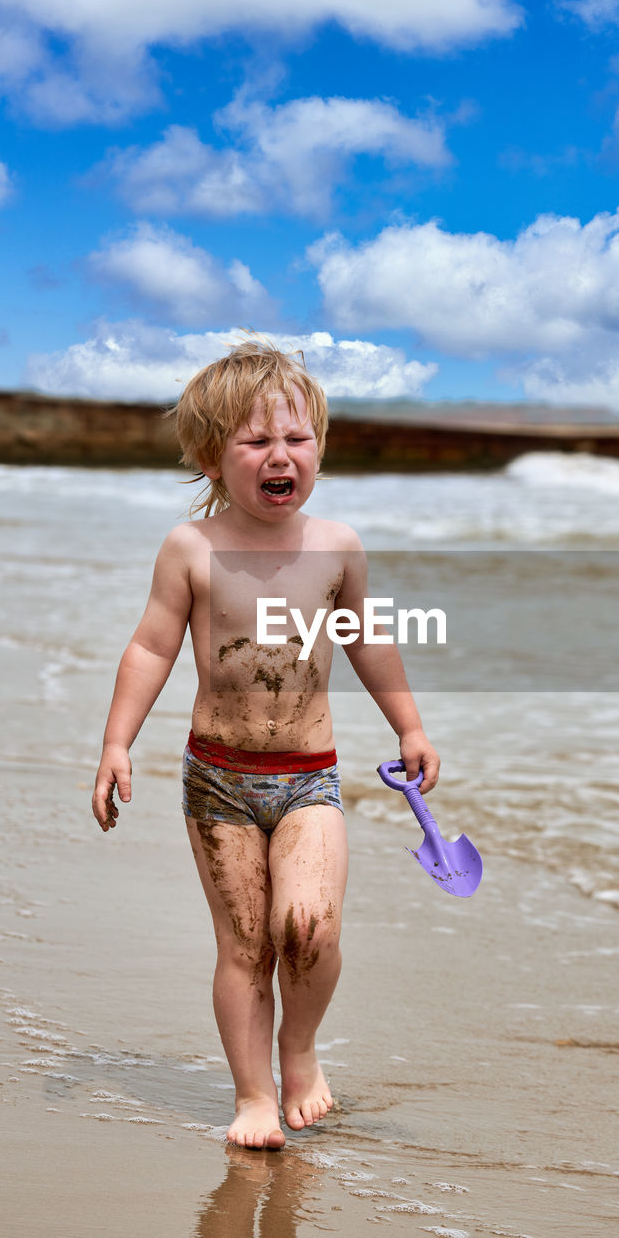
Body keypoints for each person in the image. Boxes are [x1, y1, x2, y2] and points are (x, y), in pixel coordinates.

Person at [91, 340, 439, 1152]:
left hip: (310, 777)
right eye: (256, 442)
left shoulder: (337, 547)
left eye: (298, 439)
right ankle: (253, 1098)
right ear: (213, 459)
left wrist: (409, 725)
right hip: (218, 783)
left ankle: (301, 1051)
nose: (281, 457)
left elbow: (367, 639)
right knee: (244, 947)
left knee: (308, 925)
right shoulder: (192, 550)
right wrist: (117, 743)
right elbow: (151, 648)